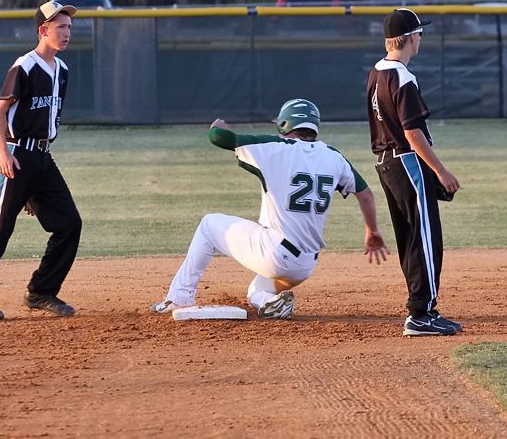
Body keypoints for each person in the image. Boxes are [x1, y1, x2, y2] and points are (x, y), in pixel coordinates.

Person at [151, 99, 389, 319]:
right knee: (256, 290)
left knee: (209, 225)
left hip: (275, 254)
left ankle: (179, 297)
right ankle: (272, 301)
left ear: (286, 124)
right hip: (305, 265)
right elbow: (365, 192)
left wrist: (217, 126)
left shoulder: (275, 146)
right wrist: (372, 231)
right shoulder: (334, 156)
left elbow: (219, 137)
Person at [0, 1, 83, 321]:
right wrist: (3, 153)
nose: (67, 31)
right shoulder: (25, 66)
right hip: (15, 156)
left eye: (69, 26)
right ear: (43, 30)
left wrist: (34, 186)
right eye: (60, 26)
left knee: (69, 223)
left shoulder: (63, 70)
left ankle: (41, 290)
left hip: (42, 158)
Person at [365, 8, 462, 336]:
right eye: (419, 33)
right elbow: (412, 133)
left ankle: (419, 308)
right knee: (425, 238)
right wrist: (441, 171)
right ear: (408, 38)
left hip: (385, 163)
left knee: (410, 238)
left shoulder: (376, 71)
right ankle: (422, 314)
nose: (421, 38)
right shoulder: (402, 77)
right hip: (407, 161)